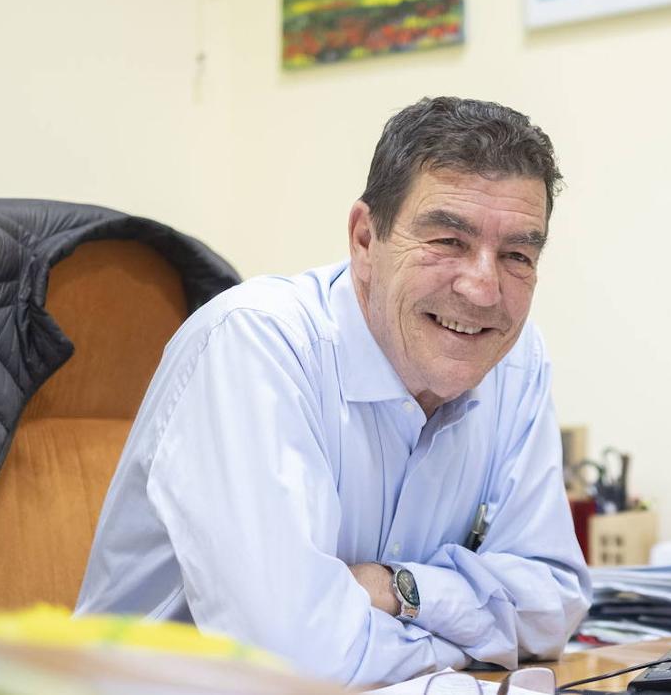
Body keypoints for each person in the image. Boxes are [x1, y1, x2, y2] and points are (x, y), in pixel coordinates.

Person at [76, 97, 592, 686]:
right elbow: (296, 662)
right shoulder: (256, 343)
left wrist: (395, 588)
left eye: (517, 255)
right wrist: (475, 633)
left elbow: (553, 602)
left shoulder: (515, 360)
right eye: (448, 241)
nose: (482, 290)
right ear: (365, 239)